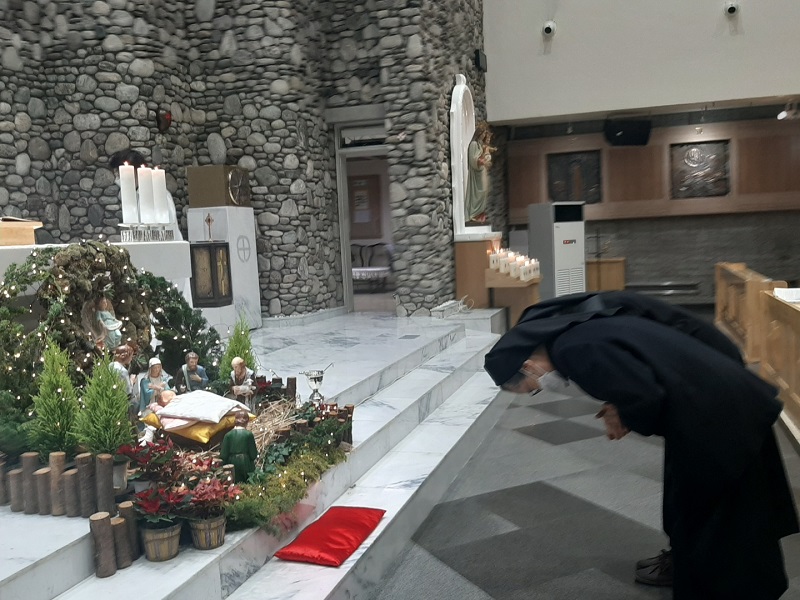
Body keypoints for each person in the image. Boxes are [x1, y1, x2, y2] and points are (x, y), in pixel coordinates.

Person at [484, 292, 799, 599]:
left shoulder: (573, 350)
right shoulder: (573, 332)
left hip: (716, 410)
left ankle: (727, 588)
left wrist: (624, 414)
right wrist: (620, 404)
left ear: (529, 366)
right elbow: (634, 372)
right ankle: (689, 565)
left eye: (533, 388)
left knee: (715, 509)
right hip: (712, 394)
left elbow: (645, 396)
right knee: (690, 498)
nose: (541, 388)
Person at [109, 149, 183, 240]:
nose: (118, 179)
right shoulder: (134, 195)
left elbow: (166, 229)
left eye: (120, 174)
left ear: (135, 171)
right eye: (116, 175)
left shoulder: (158, 194)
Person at [465, 122, 495, 224]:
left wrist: (485, 159)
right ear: (478, 133)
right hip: (476, 173)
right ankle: (474, 214)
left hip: (481, 171)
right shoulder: (473, 144)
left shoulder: (479, 145)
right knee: (479, 193)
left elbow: (481, 155)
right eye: (482, 134)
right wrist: (482, 162)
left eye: (484, 134)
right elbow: (473, 159)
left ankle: (480, 214)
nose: (483, 136)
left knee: (484, 192)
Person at [220, 410, 257, 483]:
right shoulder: (249, 435)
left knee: (234, 483)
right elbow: (253, 455)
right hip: (246, 462)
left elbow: (223, 455)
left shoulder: (228, 435)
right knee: (246, 483)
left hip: (231, 463)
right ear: (247, 421)